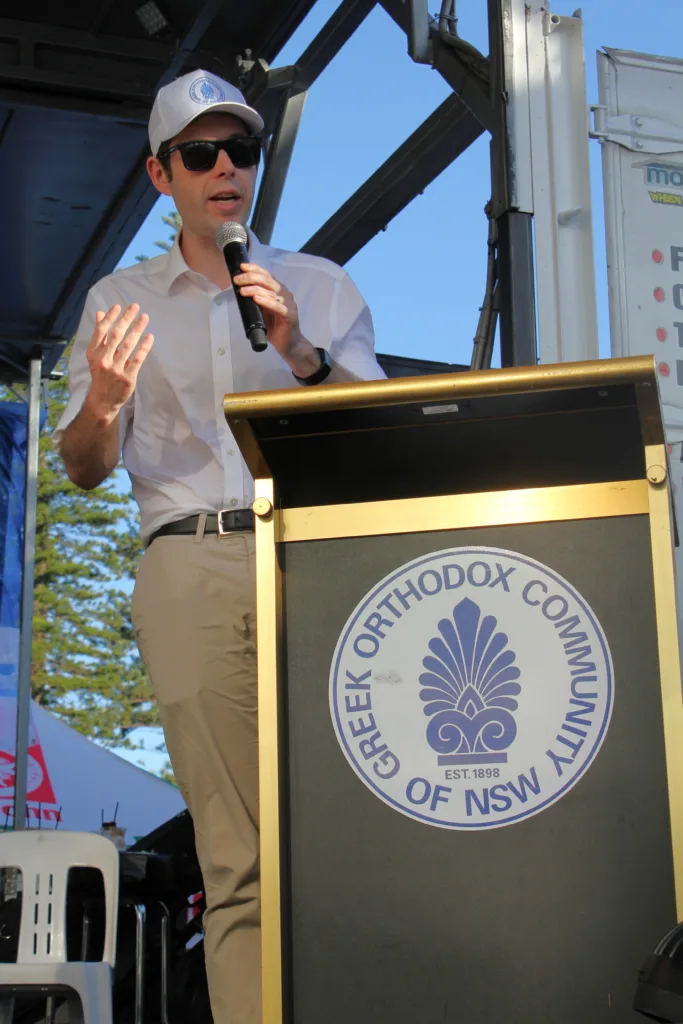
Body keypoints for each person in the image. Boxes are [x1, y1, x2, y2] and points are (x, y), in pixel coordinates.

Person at [53, 68, 385, 1022]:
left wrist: (299, 353)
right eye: (200, 154)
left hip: (318, 560)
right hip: (188, 560)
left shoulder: (318, 286)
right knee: (237, 853)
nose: (224, 167)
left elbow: (372, 444)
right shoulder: (119, 300)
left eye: (240, 149)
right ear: (162, 176)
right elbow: (82, 466)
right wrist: (104, 405)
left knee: (354, 828)